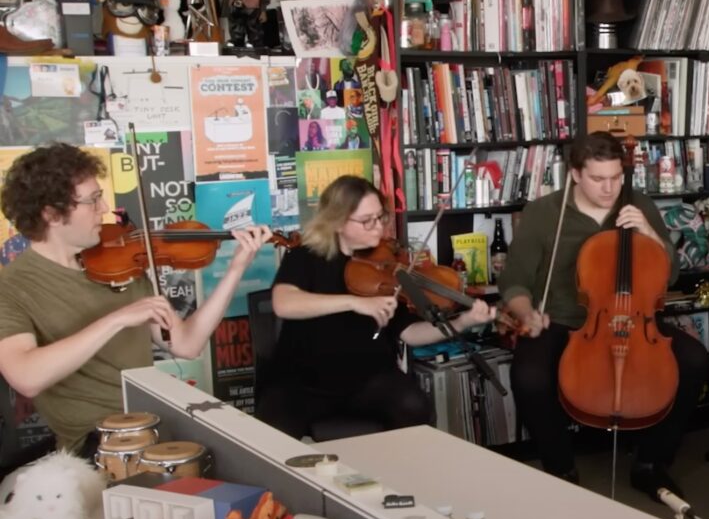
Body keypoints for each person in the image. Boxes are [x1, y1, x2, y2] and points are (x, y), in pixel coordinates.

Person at [0, 142, 272, 462]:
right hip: (101, 438)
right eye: (92, 200)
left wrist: (236, 268)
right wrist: (116, 318)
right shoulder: (12, 287)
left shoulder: (122, 262)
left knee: (251, 453)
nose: (104, 209)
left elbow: (186, 344)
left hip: (158, 418)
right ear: (52, 214)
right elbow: (26, 377)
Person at [499, 132, 709, 500]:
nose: (610, 188)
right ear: (575, 175)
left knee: (693, 361)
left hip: (633, 316)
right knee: (529, 377)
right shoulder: (545, 213)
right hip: (564, 320)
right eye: (598, 179)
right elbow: (514, 282)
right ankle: (561, 469)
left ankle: (651, 464)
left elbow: (670, 274)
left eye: (616, 178)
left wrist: (647, 232)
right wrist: (527, 313)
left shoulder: (638, 204)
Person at [256, 175, 495, 439]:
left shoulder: (388, 266)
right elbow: (283, 303)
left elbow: (411, 333)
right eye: (366, 220)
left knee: (414, 405)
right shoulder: (306, 256)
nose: (378, 227)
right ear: (337, 221)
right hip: (302, 385)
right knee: (272, 433)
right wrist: (354, 302)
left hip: (367, 382)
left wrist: (463, 322)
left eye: (380, 217)